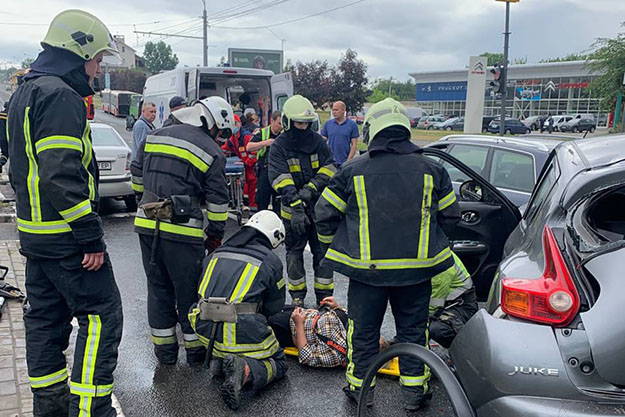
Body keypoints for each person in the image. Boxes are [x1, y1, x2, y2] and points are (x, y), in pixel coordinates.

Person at [6, 10, 123, 416]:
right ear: (79, 51)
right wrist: (90, 237)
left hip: (35, 238)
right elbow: (60, 172)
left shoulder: (26, 91)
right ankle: (91, 410)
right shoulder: (60, 96)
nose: (97, 69)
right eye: (97, 60)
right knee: (102, 318)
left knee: (44, 322)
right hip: (67, 240)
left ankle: (50, 409)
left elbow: (24, 166)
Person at [315, 98, 461, 410]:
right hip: (416, 275)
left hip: (367, 275)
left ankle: (359, 391)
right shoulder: (433, 171)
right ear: (406, 129)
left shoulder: (351, 172)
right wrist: (429, 245)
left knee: (364, 333)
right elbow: (452, 217)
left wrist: (336, 248)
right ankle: (413, 394)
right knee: (412, 332)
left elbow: (323, 215)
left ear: (371, 130)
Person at [131, 96, 232, 365]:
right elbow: (218, 202)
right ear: (211, 123)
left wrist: (146, 201)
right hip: (183, 233)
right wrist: (215, 235)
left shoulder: (154, 136)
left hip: (146, 224)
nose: (220, 138)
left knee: (158, 288)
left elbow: (136, 175)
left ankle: (165, 354)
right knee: (188, 292)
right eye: (221, 132)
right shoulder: (211, 151)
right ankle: (196, 353)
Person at [188, 210, 287, 410]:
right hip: (238, 331)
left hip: (206, 330)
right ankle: (246, 370)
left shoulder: (216, 254)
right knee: (280, 362)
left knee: (229, 334)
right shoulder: (270, 261)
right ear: (273, 236)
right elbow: (274, 308)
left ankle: (221, 361)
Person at [268, 94, 336, 306]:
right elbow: (280, 178)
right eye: (299, 123)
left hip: (319, 211)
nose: (304, 127)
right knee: (294, 255)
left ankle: (324, 300)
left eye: (307, 123)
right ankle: (298, 299)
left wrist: (311, 190)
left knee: (322, 255)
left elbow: (330, 167)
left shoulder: (318, 142)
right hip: (292, 213)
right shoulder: (279, 146)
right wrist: (297, 205)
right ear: (288, 122)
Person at [428, 252, 478, 348]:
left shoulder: (441, 268)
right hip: (447, 305)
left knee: (435, 329)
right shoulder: (435, 252)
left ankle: (462, 350)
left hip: (462, 307)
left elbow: (431, 308)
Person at [247, 111, 282, 212]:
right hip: (265, 171)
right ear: (272, 121)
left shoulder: (284, 134)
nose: (280, 127)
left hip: (279, 172)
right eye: (279, 123)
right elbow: (249, 147)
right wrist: (265, 143)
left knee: (279, 202)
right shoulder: (263, 133)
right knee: (262, 201)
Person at [222, 114, 257, 209]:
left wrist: (245, 164)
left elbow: (254, 153)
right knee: (244, 188)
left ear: (239, 124)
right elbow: (224, 149)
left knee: (252, 188)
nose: (233, 126)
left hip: (252, 168)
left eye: (235, 123)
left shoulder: (246, 137)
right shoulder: (233, 138)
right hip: (245, 168)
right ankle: (245, 206)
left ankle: (252, 208)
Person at [321, 101, 360, 166]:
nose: (334, 112)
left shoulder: (352, 125)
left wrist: (348, 160)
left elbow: (354, 145)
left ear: (343, 110)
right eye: (333, 110)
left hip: (344, 162)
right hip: (330, 162)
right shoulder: (328, 124)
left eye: (336, 110)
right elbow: (323, 141)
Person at [0, 101, 8, 171]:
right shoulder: (8, 116)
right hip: (4, 138)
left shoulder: (1, 114)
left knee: (4, 155)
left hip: (2, 137)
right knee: (5, 154)